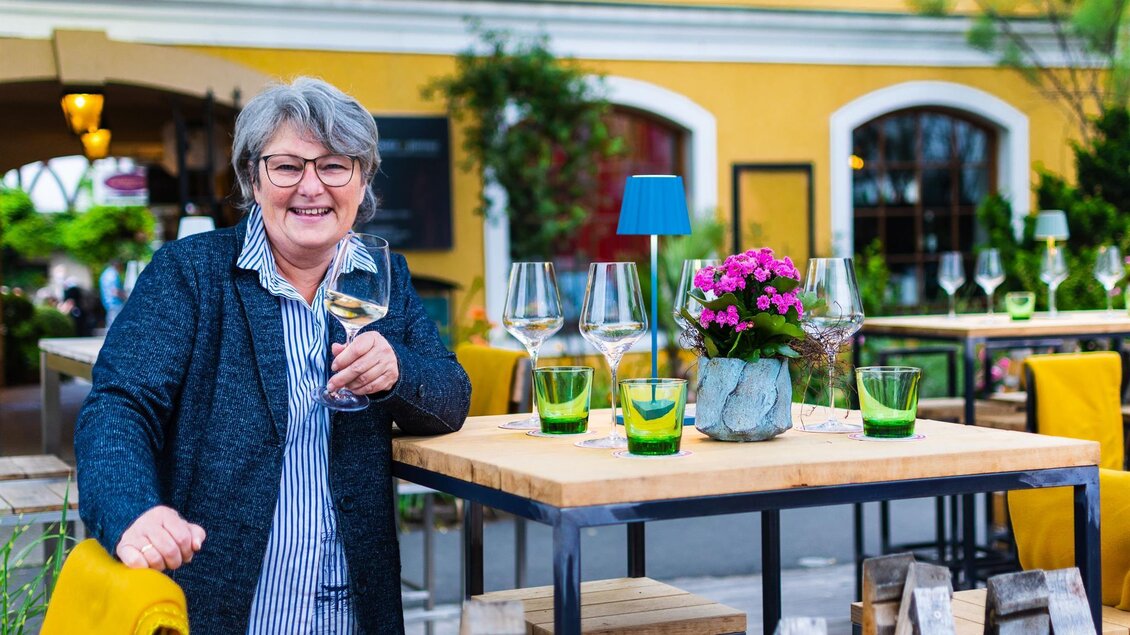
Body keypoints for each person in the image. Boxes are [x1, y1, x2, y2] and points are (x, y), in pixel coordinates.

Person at [75, 77, 471, 634]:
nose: (312, 186)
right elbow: (118, 407)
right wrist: (132, 509)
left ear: (362, 182)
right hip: (222, 597)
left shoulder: (380, 274)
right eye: (287, 166)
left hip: (351, 598)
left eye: (334, 165)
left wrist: (397, 371)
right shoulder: (191, 274)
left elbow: (450, 396)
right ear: (253, 180)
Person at [99, 259, 126, 328]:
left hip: (107, 301)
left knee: (111, 320)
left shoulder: (105, 273)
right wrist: (126, 297)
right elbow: (114, 291)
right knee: (115, 322)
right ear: (118, 266)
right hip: (115, 302)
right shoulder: (113, 274)